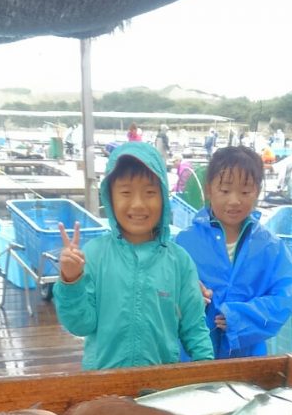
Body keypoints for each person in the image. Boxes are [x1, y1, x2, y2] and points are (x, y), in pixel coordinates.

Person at [54, 141, 214, 370]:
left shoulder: (179, 261)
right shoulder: (94, 255)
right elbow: (80, 324)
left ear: (163, 199)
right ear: (109, 198)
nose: (138, 204)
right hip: (102, 383)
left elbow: (194, 327)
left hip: (160, 384)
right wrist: (71, 281)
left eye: (150, 192)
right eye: (126, 192)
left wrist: (206, 371)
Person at [175, 146, 292, 360]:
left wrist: (240, 317)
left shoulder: (270, 247)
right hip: (191, 356)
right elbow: (163, 291)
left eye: (245, 192)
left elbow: (284, 298)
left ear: (257, 192)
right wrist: (185, 295)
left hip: (248, 358)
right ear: (208, 190)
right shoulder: (184, 242)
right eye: (224, 191)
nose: (234, 201)